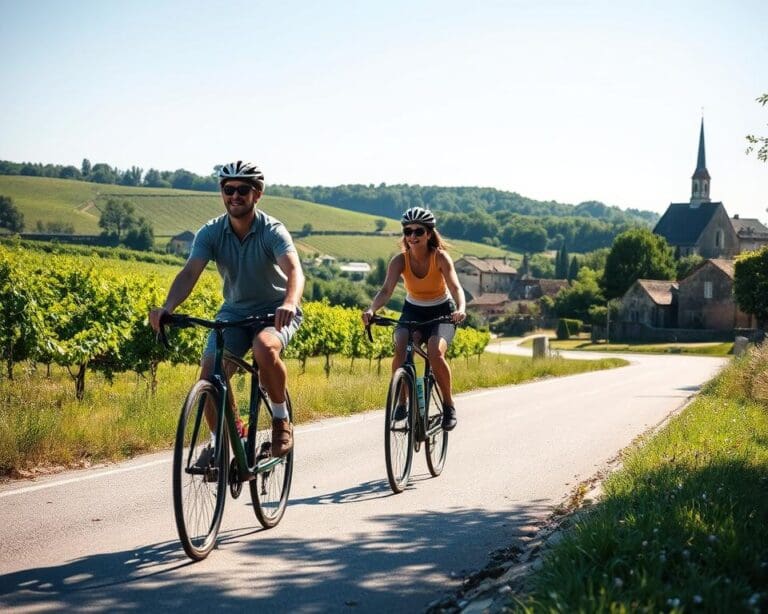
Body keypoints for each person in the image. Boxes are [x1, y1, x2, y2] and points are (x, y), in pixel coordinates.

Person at [149, 160, 304, 458]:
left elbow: (295, 271)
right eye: (227, 188)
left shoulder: (272, 230)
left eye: (242, 189)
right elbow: (189, 273)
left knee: (263, 347)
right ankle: (221, 440)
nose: (234, 195)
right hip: (234, 313)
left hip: (276, 310)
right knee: (210, 374)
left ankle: (281, 418)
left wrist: (289, 302)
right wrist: (167, 307)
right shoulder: (211, 232)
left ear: (257, 194)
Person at [362, 207, 466, 430]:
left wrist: (461, 308)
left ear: (429, 233)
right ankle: (402, 403)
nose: (412, 236)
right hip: (413, 310)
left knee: (435, 353)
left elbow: (455, 287)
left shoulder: (440, 257)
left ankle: (448, 406)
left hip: (442, 312)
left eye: (418, 231)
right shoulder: (399, 261)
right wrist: (371, 309)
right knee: (401, 344)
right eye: (407, 231)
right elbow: (386, 291)